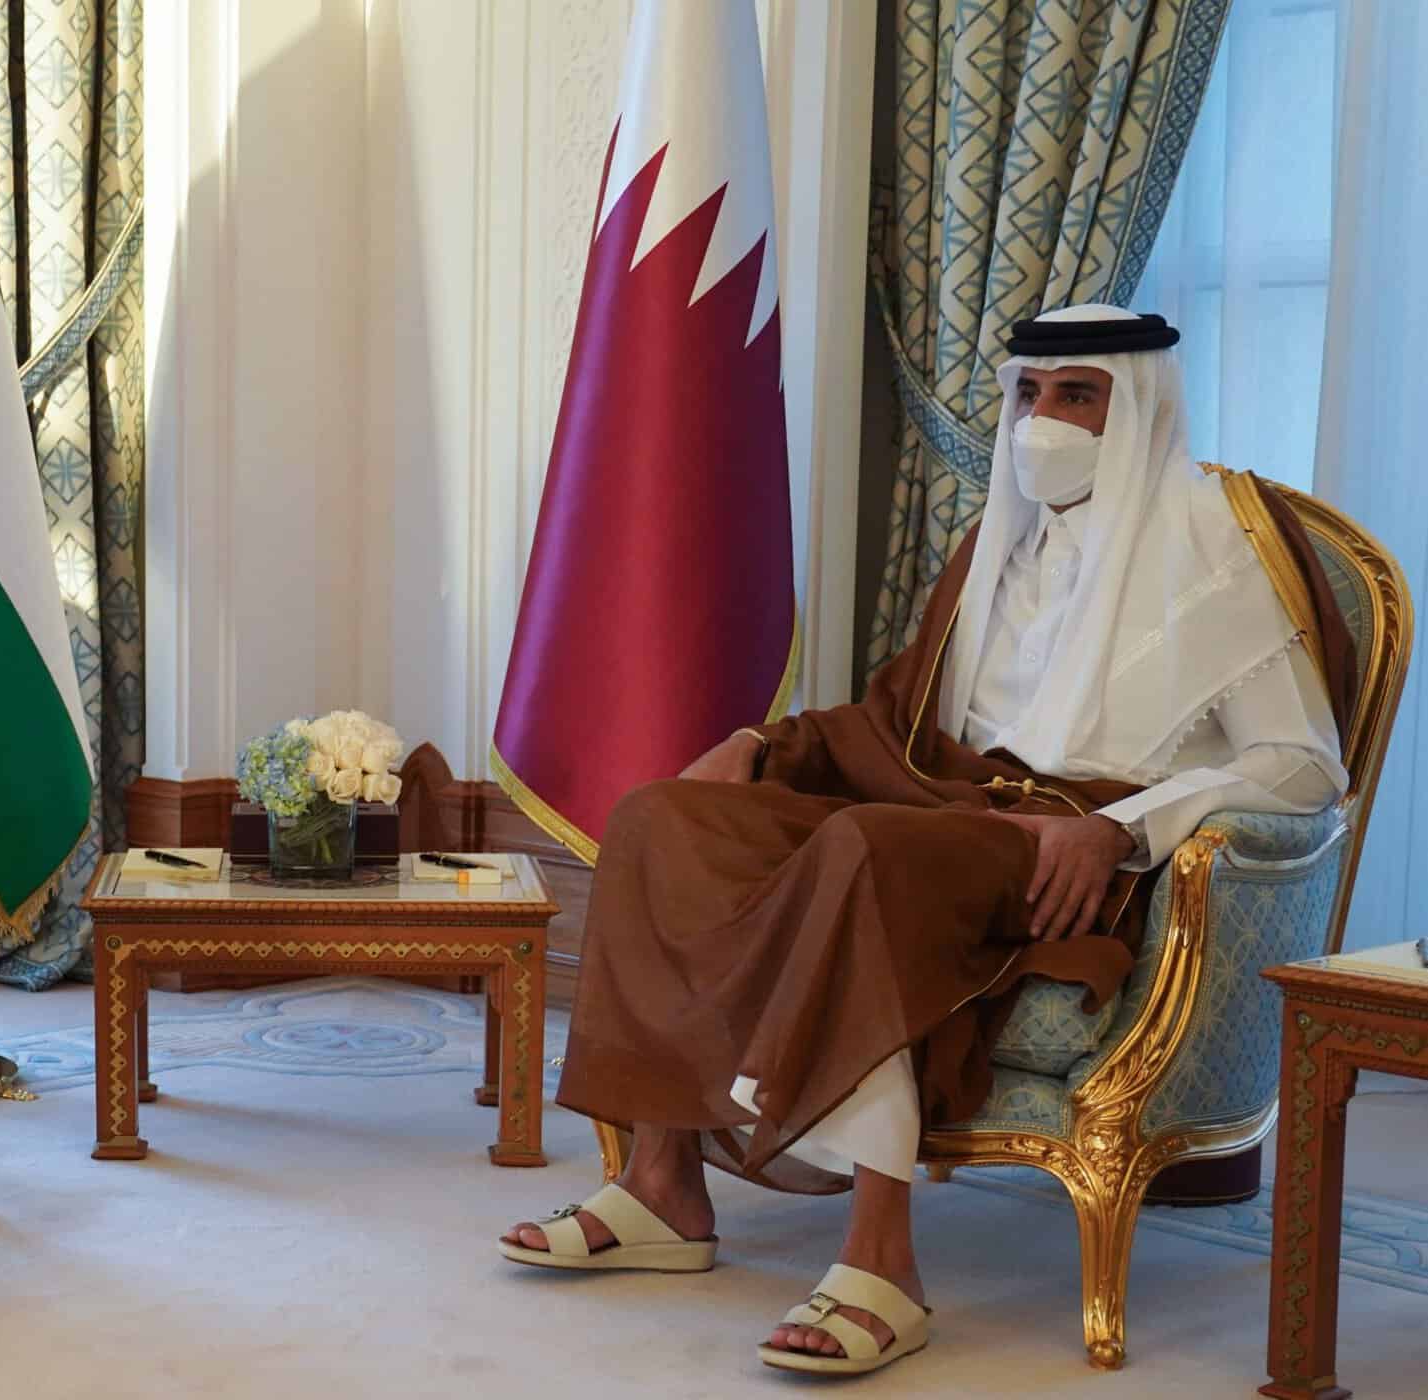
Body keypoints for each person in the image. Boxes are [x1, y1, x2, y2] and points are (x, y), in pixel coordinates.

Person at [495, 305, 1354, 1376]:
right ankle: (661, 1185)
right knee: (663, 817)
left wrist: (1119, 829)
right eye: (1027, 394)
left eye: (1076, 396)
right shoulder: (998, 545)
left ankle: (881, 1259)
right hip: (941, 809)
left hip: (1072, 849)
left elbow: (1303, 766)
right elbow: (894, 724)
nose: (1041, 421)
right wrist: (759, 743)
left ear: (1137, 406)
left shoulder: (1217, 551)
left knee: (870, 847)